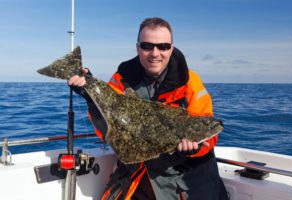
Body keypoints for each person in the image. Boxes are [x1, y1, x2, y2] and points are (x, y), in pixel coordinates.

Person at [68, 17, 229, 200]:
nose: (155, 53)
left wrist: (196, 148)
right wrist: (90, 96)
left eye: (163, 46)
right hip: (137, 175)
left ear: (171, 48)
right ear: (137, 48)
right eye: (147, 46)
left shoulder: (190, 81)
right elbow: (106, 132)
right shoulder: (121, 80)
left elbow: (209, 136)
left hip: (183, 177)